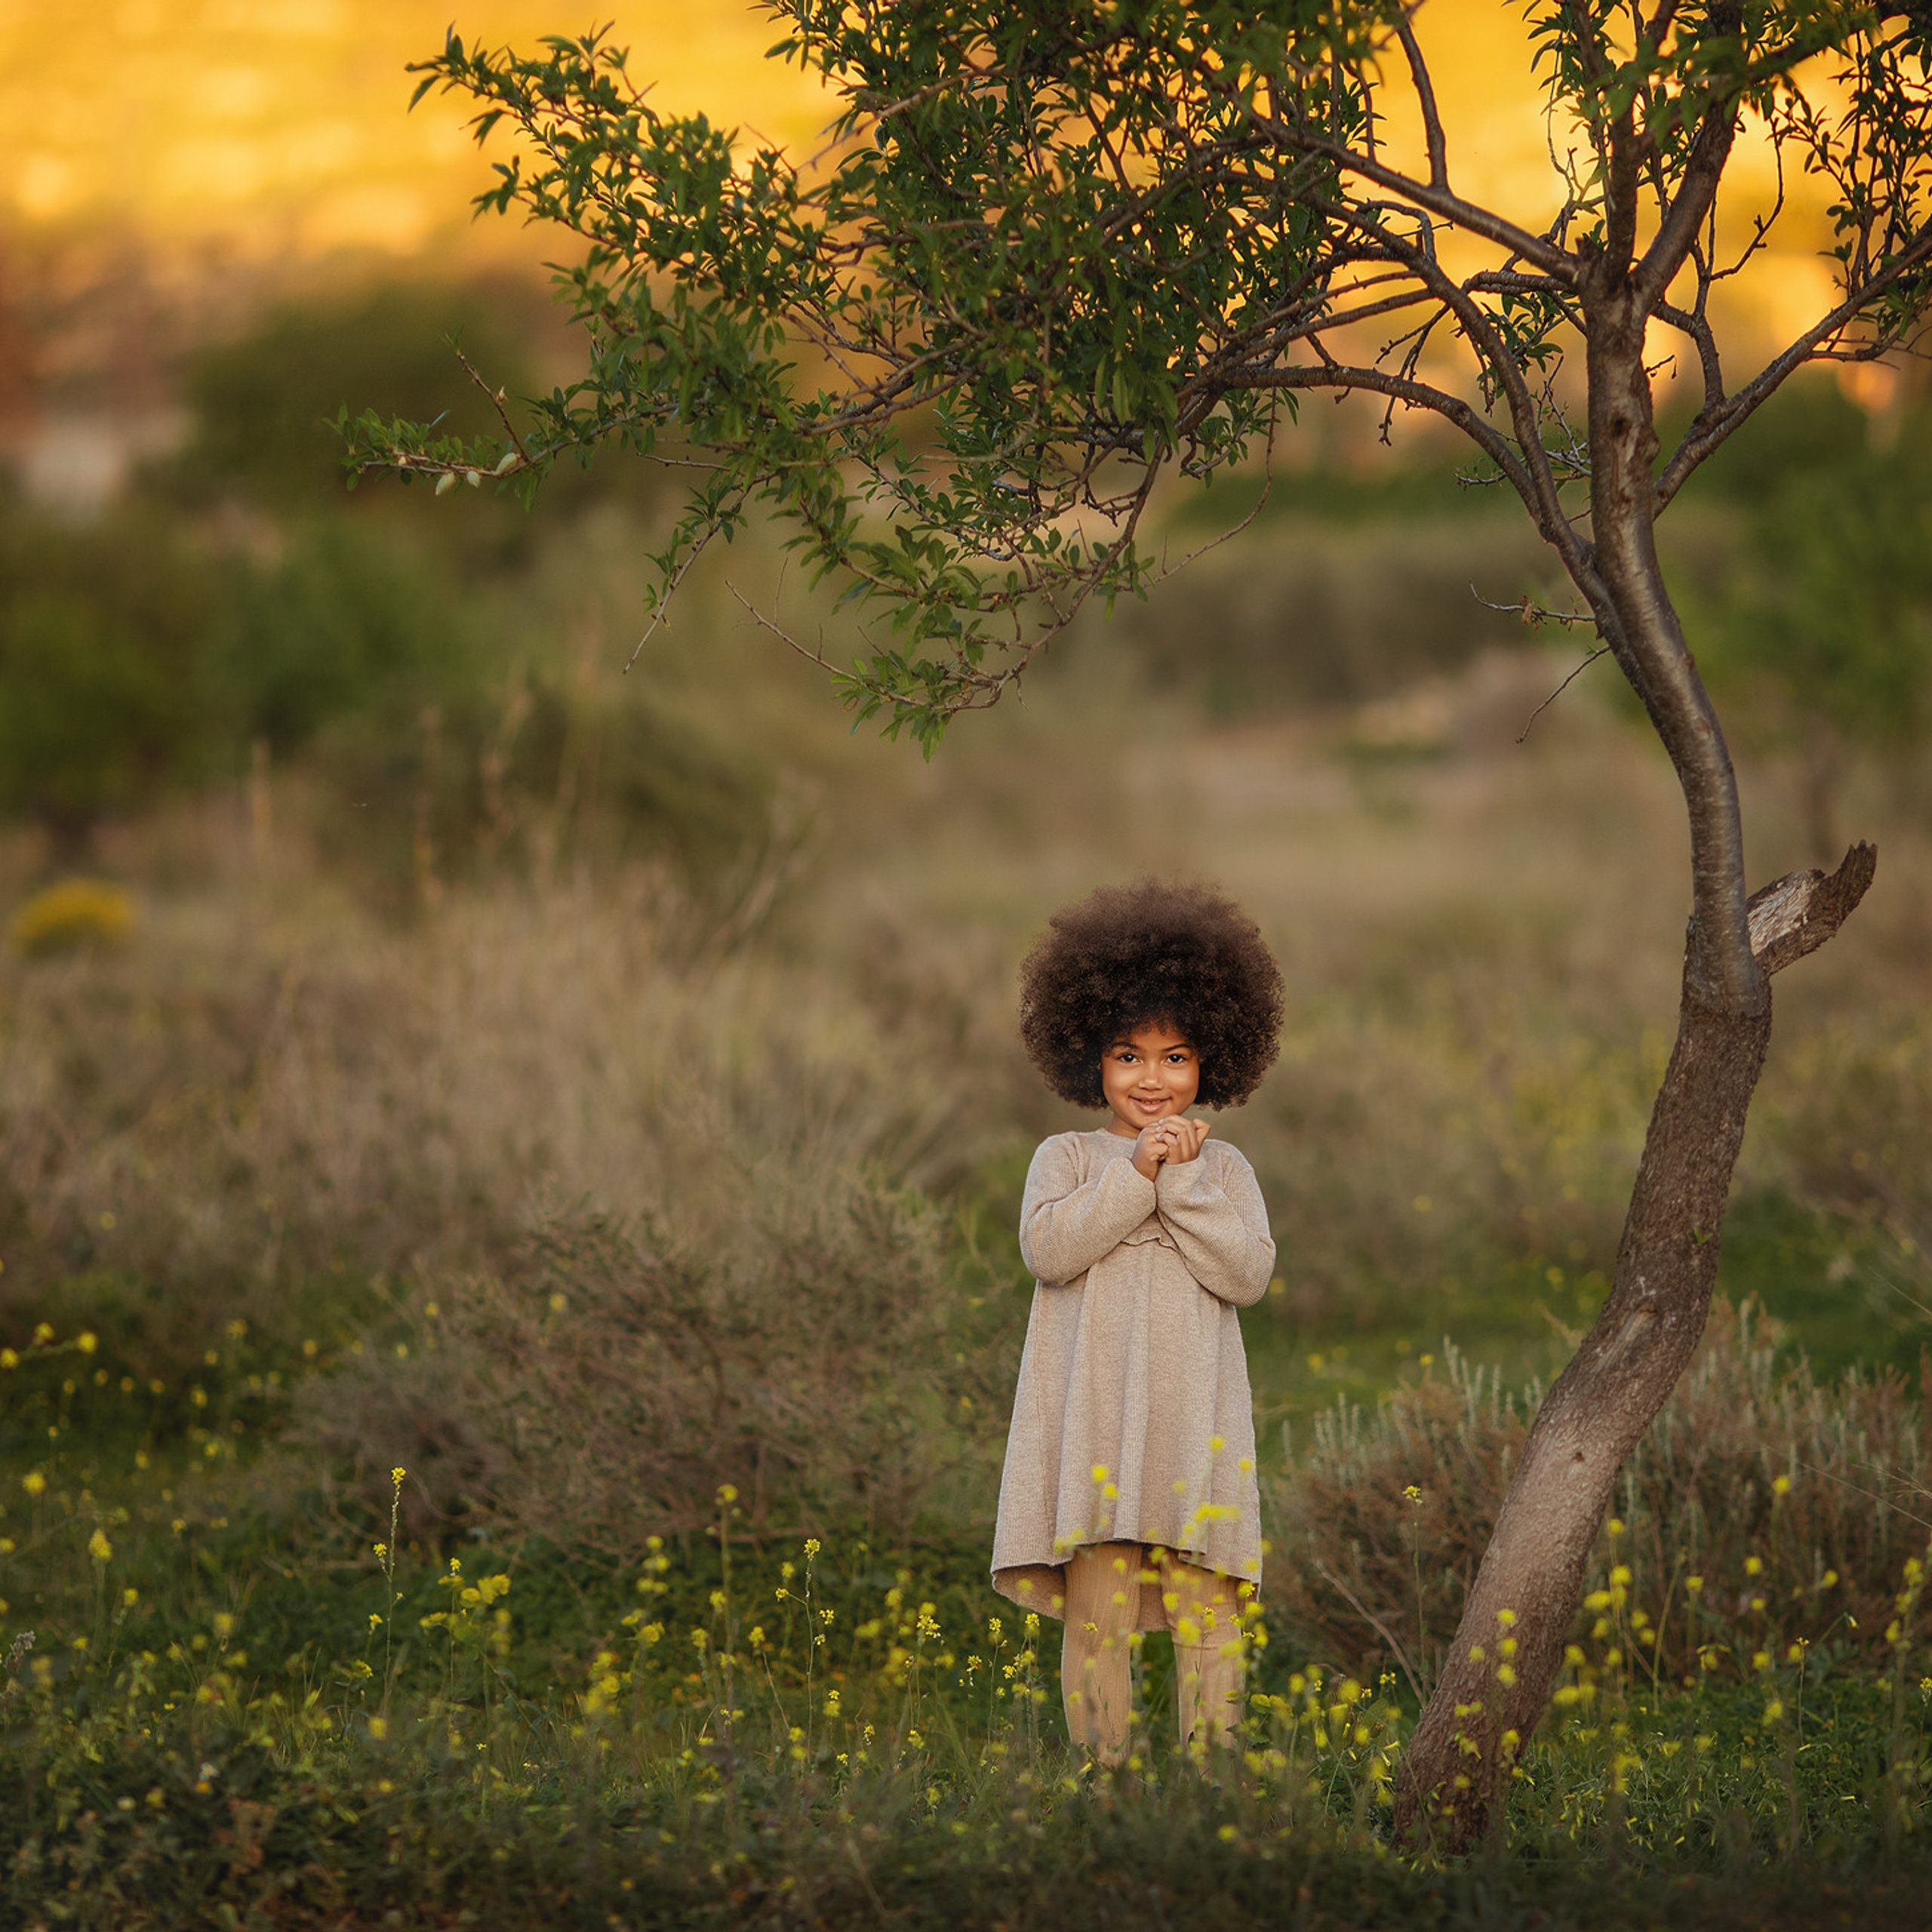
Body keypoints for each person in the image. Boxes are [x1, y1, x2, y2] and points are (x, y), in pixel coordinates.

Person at [991, 878, 1283, 1767]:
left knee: (1209, 1616)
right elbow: (1050, 1251)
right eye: (1127, 1055)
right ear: (1089, 1060)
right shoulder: (1068, 1156)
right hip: (1096, 1432)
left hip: (1195, 1433)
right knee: (1099, 1618)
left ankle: (1213, 1788)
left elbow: (1246, 1273)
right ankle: (1102, 1782)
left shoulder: (1224, 1166)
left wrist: (1183, 1180)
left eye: (1175, 1057)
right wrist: (1136, 1174)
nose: (1151, 1080)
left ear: (1212, 1063)